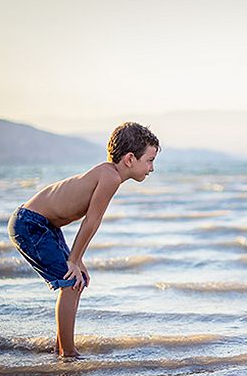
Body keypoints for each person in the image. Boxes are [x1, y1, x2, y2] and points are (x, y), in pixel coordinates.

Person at [8, 122, 160, 358]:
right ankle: (67, 353)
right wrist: (73, 261)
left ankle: (60, 347)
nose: (151, 168)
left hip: (44, 225)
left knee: (79, 280)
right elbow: (91, 221)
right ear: (130, 159)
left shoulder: (109, 174)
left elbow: (88, 222)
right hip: (29, 224)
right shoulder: (110, 177)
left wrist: (77, 261)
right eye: (149, 160)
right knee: (69, 281)